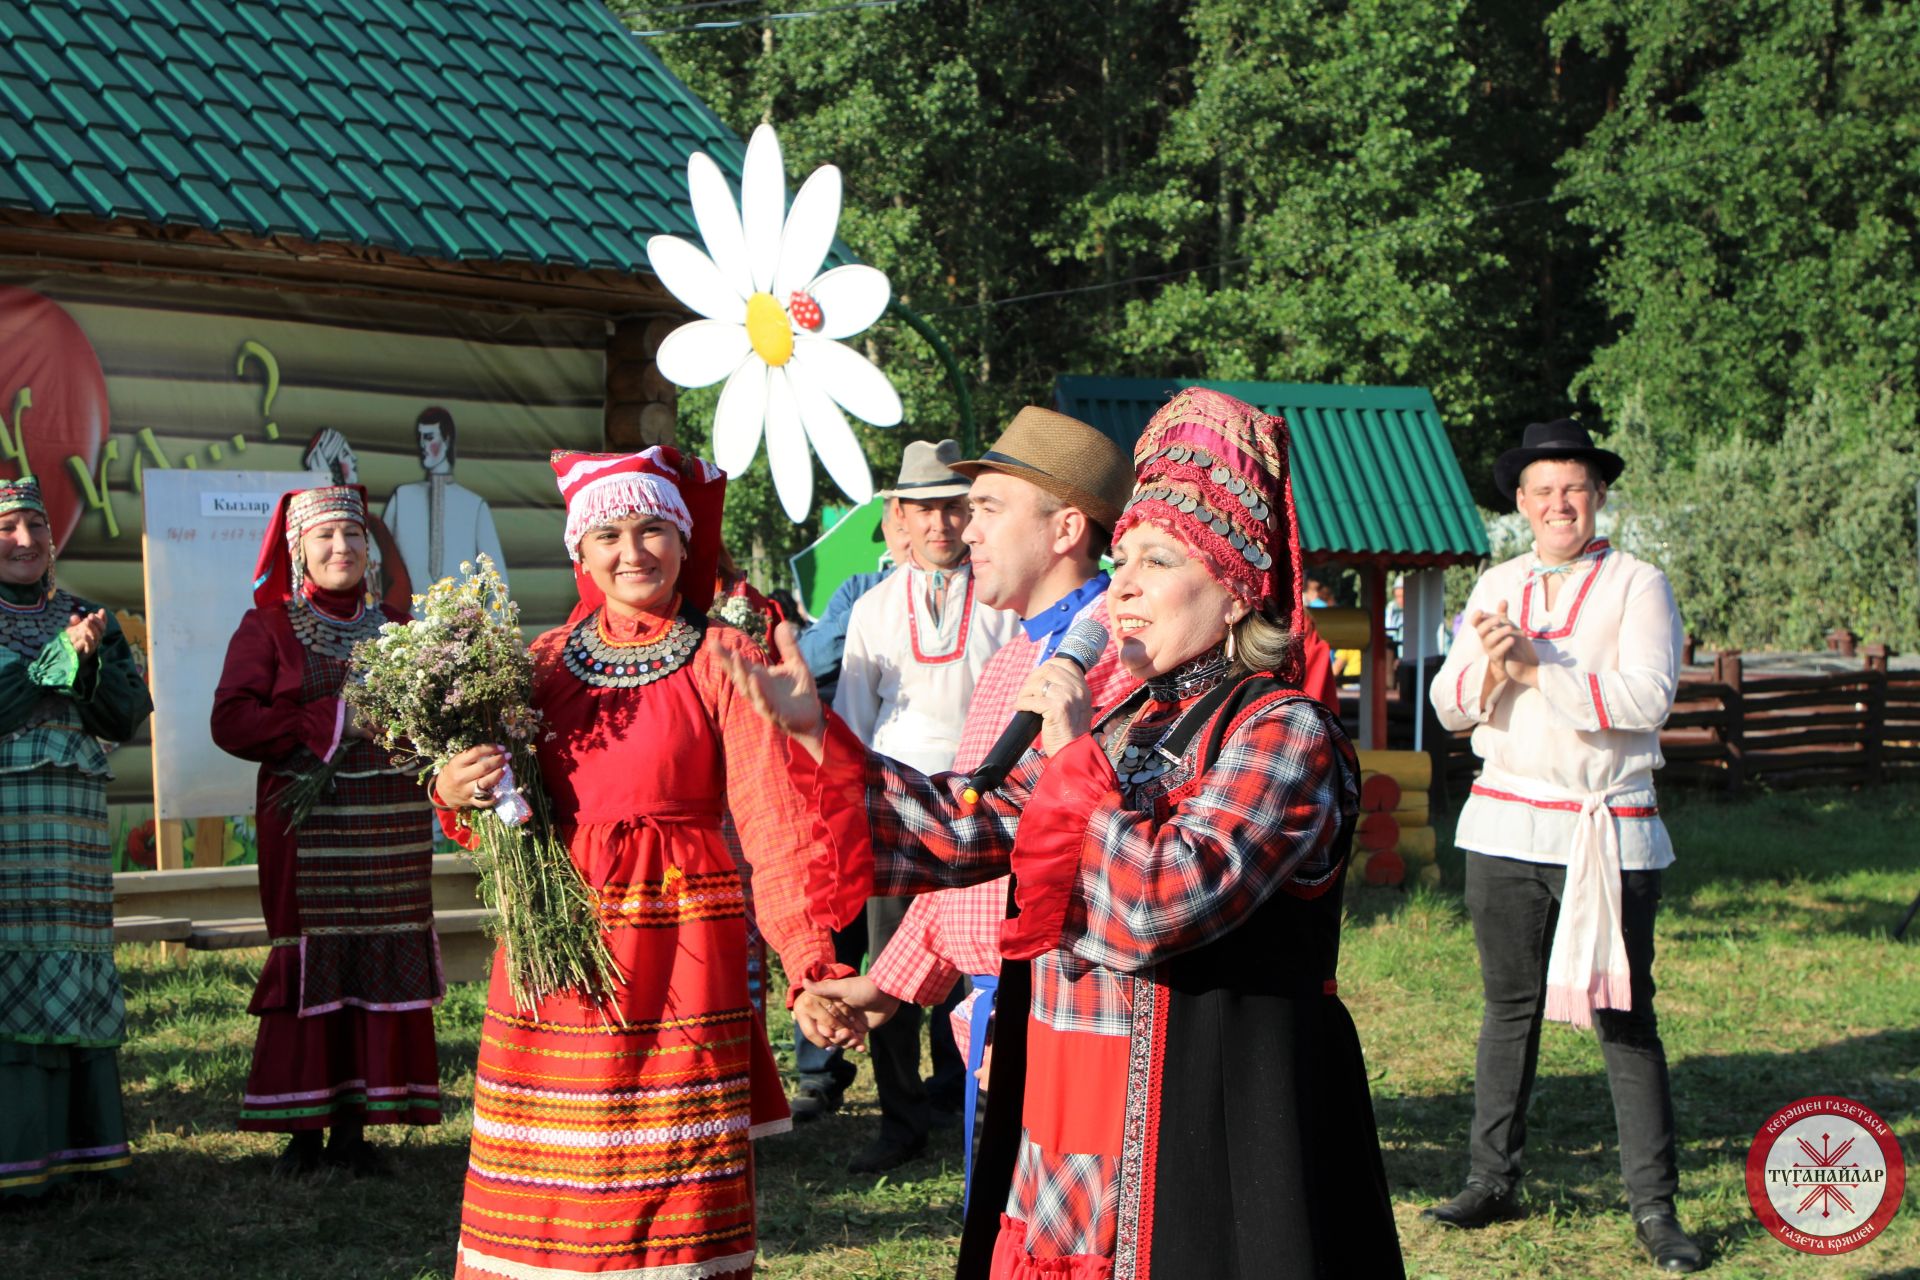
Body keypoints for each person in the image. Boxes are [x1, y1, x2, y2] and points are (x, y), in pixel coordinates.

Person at [729, 387, 1403, 1279]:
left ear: (1238, 590)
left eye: (1156, 562)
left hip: (1220, 1124)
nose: (1120, 589)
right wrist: (817, 735)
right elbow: (968, 832)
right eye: (1121, 560)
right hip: (1076, 1108)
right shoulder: (1126, 722)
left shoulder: (1283, 733)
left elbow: (1159, 902)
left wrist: (1074, 754)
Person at [431, 447, 859, 1280]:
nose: (633, 551)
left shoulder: (719, 661)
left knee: (664, 1170)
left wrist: (808, 965)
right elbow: (503, 823)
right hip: (560, 949)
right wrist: (455, 790)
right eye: (611, 535)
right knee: (559, 1171)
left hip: (681, 955)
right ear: (580, 554)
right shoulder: (541, 665)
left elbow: (774, 821)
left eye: (654, 528)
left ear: (683, 539)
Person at [806, 405, 1139, 1201]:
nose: (967, 530)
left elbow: (1031, 845)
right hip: (1004, 1018)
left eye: (987, 508)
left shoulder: (1109, 661)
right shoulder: (1020, 649)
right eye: (961, 509)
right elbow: (978, 849)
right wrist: (887, 984)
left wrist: (808, 743)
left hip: (1067, 1023)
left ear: (1064, 529)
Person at [1425, 418, 1702, 1273]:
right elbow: (1448, 706)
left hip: (1605, 828)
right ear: (1520, 502)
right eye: (1542, 491)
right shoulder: (1498, 583)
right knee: (1507, 1009)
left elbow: (1647, 697)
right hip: (1506, 823)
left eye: (1573, 489)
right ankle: (1489, 1177)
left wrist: (1539, 667)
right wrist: (1495, 664)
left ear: (1598, 496)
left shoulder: (1638, 585)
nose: (1558, 504)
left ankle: (1655, 1209)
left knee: (1625, 1020)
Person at [212, 484, 443, 1176]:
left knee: (375, 960)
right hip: (310, 832)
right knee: (316, 962)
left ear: (369, 550)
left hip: (390, 832)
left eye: (353, 537)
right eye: (324, 538)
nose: (341, 549)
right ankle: (303, 1129)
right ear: (298, 551)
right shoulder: (269, 629)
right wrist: (331, 720)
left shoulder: (404, 628)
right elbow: (232, 722)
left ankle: (356, 1132)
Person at [835, 438, 1021, 1173]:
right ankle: (899, 1118)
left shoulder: (1006, 603)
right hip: (897, 813)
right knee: (889, 967)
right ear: (900, 518)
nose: (941, 525)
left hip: (985, 811)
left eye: (954, 507)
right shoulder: (875, 609)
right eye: (925, 509)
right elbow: (850, 724)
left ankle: (967, 1098)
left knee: (979, 958)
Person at [0, 478, 152, 1199]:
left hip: (75, 827)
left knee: (76, 960)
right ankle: (18, 1162)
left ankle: (86, 1153)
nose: (24, 540)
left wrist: (88, 663)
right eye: (6, 526)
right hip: (7, 823)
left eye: (35, 524)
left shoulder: (89, 614)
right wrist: (58, 661)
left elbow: (125, 719)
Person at [381, 407, 507, 608]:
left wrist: (485, 635)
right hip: (403, 628)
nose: (423, 445)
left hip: (461, 631)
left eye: (429, 437)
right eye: (420, 438)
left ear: (447, 440)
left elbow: (497, 584)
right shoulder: (402, 497)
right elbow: (378, 563)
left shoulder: (474, 505)